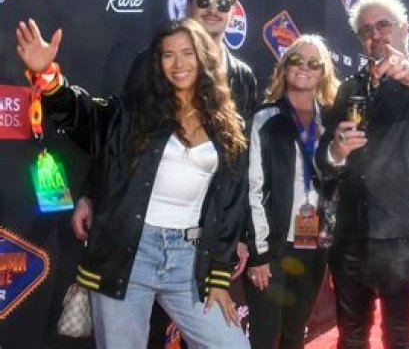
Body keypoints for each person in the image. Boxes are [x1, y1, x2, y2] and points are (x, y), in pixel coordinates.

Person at [16, 17, 250, 348]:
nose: (179, 64)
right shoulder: (133, 111)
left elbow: (230, 206)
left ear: (204, 57)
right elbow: (84, 116)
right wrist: (49, 76)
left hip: (189, 260)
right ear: (157, 62)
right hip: (128, 255)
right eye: (168, 55)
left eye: (188, 53)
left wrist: (220, 279)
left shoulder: (228, 123)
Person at [71, 0, 258, 257]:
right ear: (188, 4)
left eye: (223, 3)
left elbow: (240, 166)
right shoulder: (152, 62)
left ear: (233, 11)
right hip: (144, 227)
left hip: (207, 230)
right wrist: (90, 194)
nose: (213, 9)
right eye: (204, 0)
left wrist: (241, 232)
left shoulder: (243, 77)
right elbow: (118, 136)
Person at [315, 0, 409, 348]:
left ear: (404, 28)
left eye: (383, 25)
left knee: (400, 337)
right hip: (350, 234)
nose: (375, 35)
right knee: (351, 337)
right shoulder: (349, 88)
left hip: (403, 234)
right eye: (366, 30)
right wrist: (336, 151)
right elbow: (324, 163)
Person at [244, 35, 340, 348]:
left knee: (294, 334)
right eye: (297, 60)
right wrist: (259, 253)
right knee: (264, 337)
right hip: (273, 246)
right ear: (285, 67)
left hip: (312, 242)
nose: (305, 68)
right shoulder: (265, 118)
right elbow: (252, 188)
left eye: (314, 63)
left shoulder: (332, 121)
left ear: (323, 72)